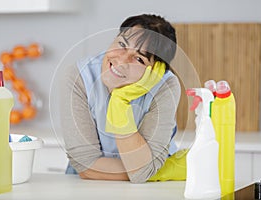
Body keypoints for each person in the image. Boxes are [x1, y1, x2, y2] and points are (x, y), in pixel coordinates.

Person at [61, 14, 187, 183]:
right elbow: (86, 166)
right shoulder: (79, 77)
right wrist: (149, 170)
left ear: (156, 70)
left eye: (139, 59)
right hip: (88, 186)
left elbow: (142, 173)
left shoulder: (165, 86)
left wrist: (120, 101)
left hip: (150, 190)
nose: (122, 60)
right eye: (122, 44)